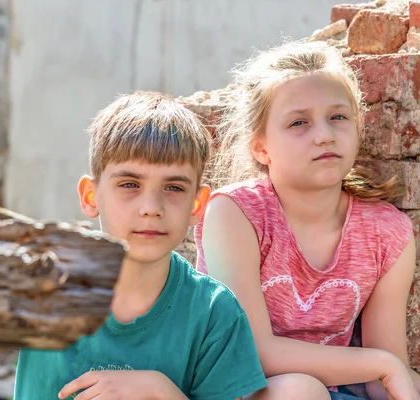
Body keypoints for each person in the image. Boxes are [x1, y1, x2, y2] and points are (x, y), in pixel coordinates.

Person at [195, 41, 420, 400]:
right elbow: (256, 352)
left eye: (338, 117)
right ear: (261, 147)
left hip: (338, 393)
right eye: (299, 122)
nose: (324, 135)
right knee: (302, 391)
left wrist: (405, 381)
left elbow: (384, 376)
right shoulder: (237, 214)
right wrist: (381, 363)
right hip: (238, 389)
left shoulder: (385, 232)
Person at [14, 91, 267, 400]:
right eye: (130, 184)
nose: (151, 206)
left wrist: (159, 391)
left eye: (173, 187)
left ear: (197, 205)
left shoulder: (215, 312)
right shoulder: (52, 303)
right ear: (91, 197)